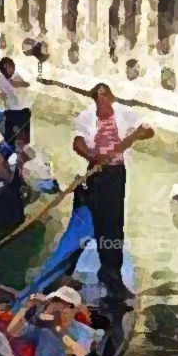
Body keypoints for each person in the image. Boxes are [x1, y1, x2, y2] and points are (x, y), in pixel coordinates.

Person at [73, 82, 154, 296]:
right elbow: (78, 141)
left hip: (116, 173)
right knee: (97, 221)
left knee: (114, 222)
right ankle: (101, 267)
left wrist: (140, 133)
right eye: (98, 99)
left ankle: (112, 271)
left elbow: (148, 130)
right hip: (96, 172)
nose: (102, 103)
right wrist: (92, 156)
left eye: (105, 98)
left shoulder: (125, 114)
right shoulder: (86, 116)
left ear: (111, 98)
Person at [6, 286, 101, 356]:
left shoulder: (83, 331)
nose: (60, 308)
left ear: (76, 309)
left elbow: (82, 353)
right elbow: (12, 331)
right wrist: (27, 306)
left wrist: (56, 328)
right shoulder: (43, 327)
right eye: (56, 301)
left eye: (67, 305)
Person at [0, 57, 31, 147]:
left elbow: (27, 84)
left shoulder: (16, 76)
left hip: (23, 110)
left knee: (26, 139)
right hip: (9, 112)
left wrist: (18, 84)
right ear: (2, 69)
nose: (10, 69)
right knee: (10, 140)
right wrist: (1, 97)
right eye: (7, 67)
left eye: (12, 67)